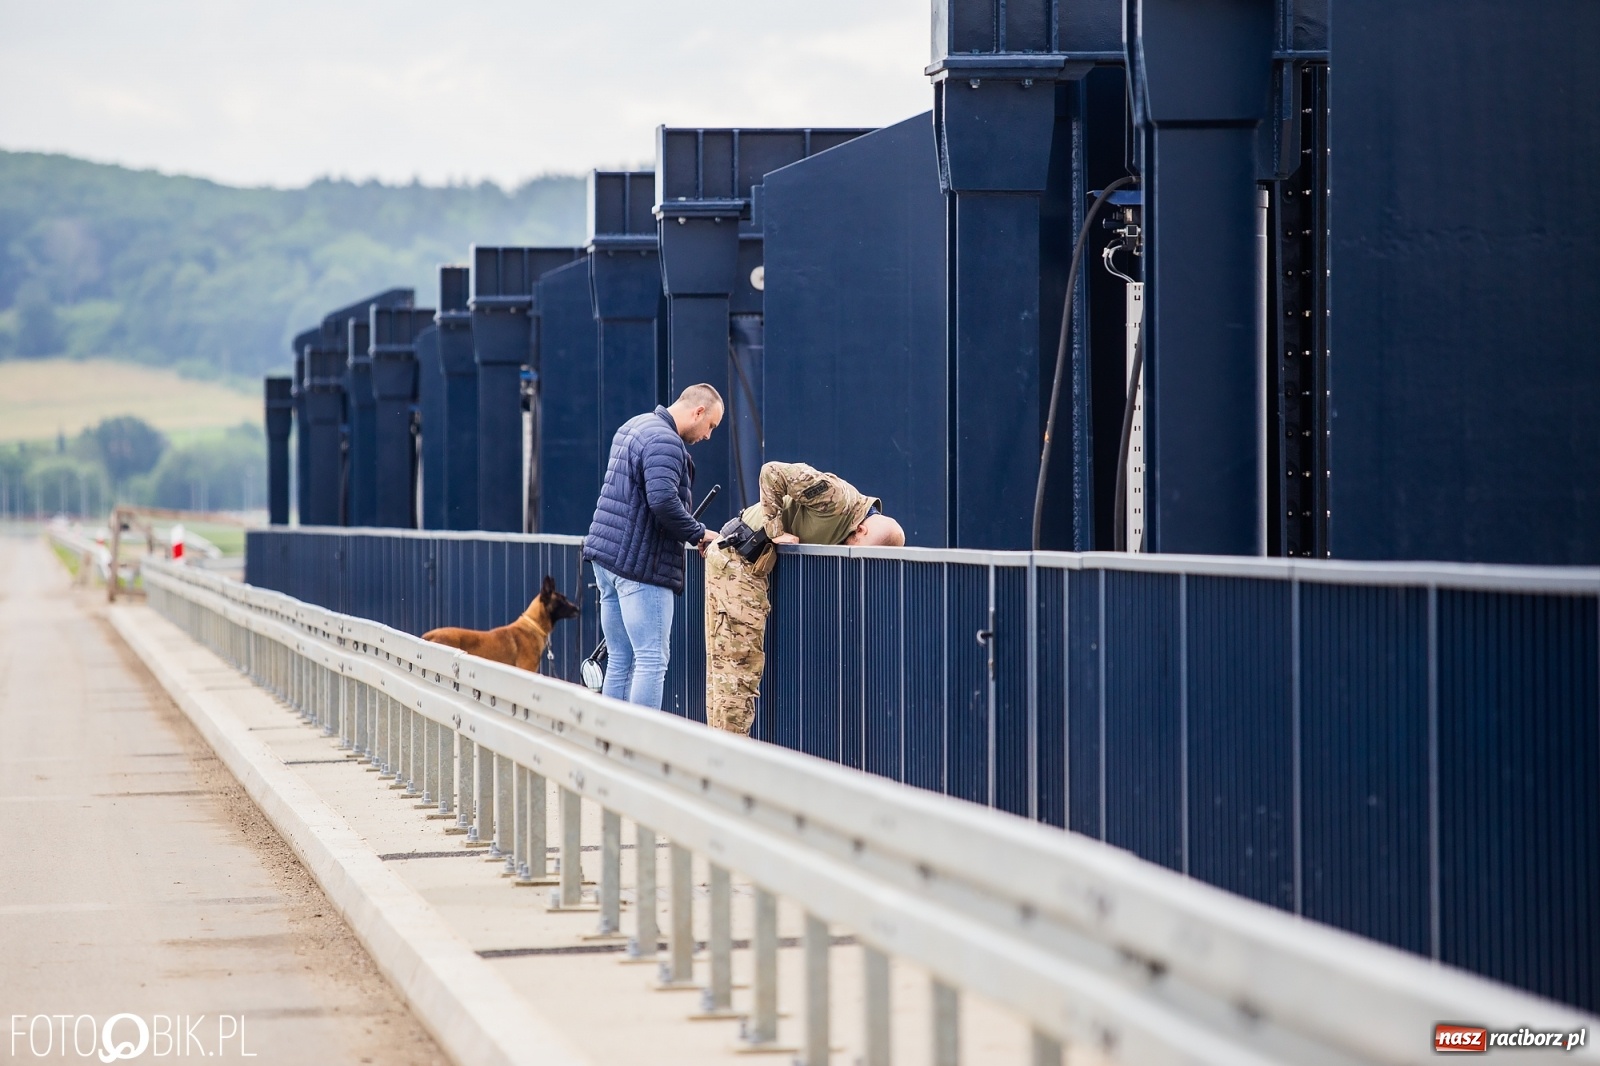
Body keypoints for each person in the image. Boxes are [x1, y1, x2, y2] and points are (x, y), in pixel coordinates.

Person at [705, 461, 905, 735]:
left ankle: (718, 752)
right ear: (862, 530)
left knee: (724, 667)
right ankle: (729, 759)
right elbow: (771, 472)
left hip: (738, 560)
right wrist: (776, 532)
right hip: (739, 562)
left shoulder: (849, 524)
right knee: (739, 668)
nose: (853, 558)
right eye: (860, 552)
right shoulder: (837, 498)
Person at [583, 385, 722, 708]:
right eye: (711, 426)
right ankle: (639, 754)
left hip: (607, 560)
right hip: (641, 567)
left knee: (619, 659)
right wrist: (699, 533)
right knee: (651, 660)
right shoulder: (666, 441)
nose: (708, 436)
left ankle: (610, 745)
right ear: (698, 412)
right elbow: (662, 501)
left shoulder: (634, 426)